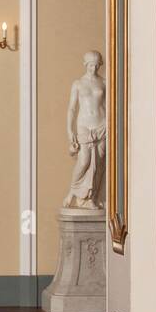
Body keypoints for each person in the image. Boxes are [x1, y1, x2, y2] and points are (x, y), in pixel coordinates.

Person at [63, 51, 106, 209]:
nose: (93, 68)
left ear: (99, 64)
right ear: (85, 64)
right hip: (84, 126)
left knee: (100, 164)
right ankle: (72, 192)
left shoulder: (104, 82)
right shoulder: (78, 84)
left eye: (96, 65)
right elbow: (72, 109)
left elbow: (109, 106)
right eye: (90, 64)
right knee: (84, 161)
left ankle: (92, 197)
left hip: (102, 126)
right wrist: (70, 131)